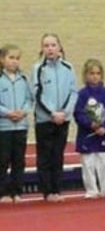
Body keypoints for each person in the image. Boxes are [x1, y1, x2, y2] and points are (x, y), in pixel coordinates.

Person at [31, 33, 78, 202]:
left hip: (63, 119)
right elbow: (37, 94)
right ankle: (47, 191)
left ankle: (57, 189)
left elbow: (73, 92)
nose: (50, 49)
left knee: (58, 155)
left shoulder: (68, 67)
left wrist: (65, 112)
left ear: (59, 47)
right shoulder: (38, 68)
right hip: (45, 119)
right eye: (46, 46)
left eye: (53, 45)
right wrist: (52, 113)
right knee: (45, 155)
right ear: (42, 49)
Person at [74, 59, 105, 199]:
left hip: (104, 134)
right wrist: (90, 124)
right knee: (88, 164)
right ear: (85, 75)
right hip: (87, 135)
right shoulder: (81, 94)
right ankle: (91, 190)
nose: (95, 76)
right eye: (91, 73)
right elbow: (78, 114)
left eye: (98, 73)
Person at [0, 44, 33, 204]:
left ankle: (17, 191)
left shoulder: (24, 79)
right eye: (11, 58)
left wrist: (23, 111)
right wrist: (7, 113)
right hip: (4, 127)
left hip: (20, 126)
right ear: (2, 59)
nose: (14, 61)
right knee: (3, 160)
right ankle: (3, 192)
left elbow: (29, 99)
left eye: (17, 58)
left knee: (18, 160)